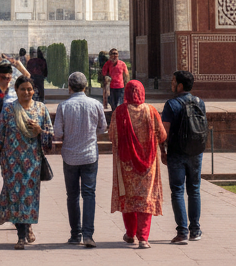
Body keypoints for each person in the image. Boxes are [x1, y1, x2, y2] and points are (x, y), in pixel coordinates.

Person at [0, 74, 53, 249]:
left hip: (32, 163)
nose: (26, 92)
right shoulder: (9, 110)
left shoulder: (41, 109)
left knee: (29, 198)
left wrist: (40, 130)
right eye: (23, 89)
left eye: (29, 89)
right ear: (16, 91)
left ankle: (25, 232)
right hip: (11, 163)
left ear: (34, 91)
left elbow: (50, 137)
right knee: (15, 197)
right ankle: (21, 234)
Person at [109, 80, 167, 249]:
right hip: (148, 165)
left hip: (126, 164)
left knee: (128, 198)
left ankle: (130, 234)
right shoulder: (151, 111)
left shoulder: (119, 112)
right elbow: (162, 135)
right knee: (145, 199)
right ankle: (143, 238)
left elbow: (112, 136)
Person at [53, 71, 106, 247]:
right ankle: (88, 235)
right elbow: (102, 127)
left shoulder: (64, 106)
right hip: (90, 154)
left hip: (70, 156)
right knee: (89, 194)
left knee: (73, 195)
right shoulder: (95, 104)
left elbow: (58, 133)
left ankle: (76, 234)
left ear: (69, 87)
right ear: (86, 87)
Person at [0, 56, 30, 228]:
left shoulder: (17, 92)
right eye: (3, 77)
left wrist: (19, 65)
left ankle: (6, 209)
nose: (6, 80)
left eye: (9, 77)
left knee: (10, 178)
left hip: (11, 143)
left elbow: (28, 80)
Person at [160, 69, 206, 244]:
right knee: (194, 190)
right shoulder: (200, 102)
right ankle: (195, 230)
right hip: (196, 152)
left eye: (173, 81)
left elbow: (164, 132)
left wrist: (162, 151)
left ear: (179, 85)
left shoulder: (172, 105)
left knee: (178, 190)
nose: (171, 84)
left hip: (177, 153)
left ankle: (182, 232)